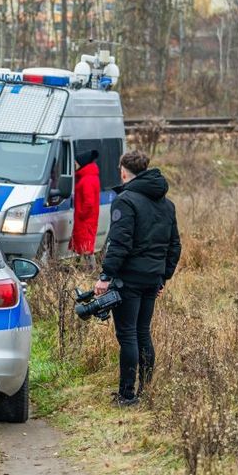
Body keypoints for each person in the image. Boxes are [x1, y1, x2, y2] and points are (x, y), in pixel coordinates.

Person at [93, 149, 181, 406]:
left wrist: (105, 276)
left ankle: (127, 394)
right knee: (143, 333)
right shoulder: (167, 204)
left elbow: (119, 243)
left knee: (128, 335)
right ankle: (146, 391)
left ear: (123, 171)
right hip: (152, 279)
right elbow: (174, 245)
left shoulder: (126, 201)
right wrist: (163, 277)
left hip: (128, 280)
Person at [70, 149, 101, 268]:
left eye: (76, 163)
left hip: (85, 220)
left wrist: (81, 214)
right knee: (85, 246)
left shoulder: (86, 180)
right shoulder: (91, 177)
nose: (74, 165)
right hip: (88, 219)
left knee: (86, 247)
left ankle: (91, 271)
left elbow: (88, 202)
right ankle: (86, 270)